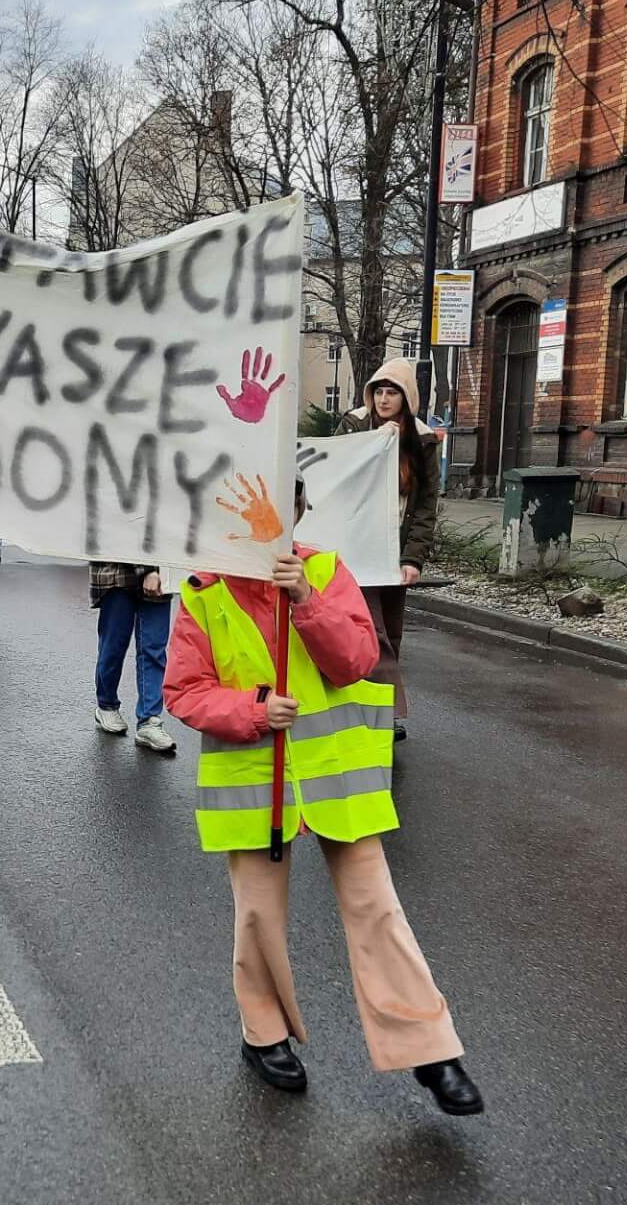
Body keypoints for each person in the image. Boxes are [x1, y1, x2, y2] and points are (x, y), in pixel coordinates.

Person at [162, 468, 481, 1116]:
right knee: (258, 916)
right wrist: (253, 709)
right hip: (255, 780)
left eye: (283, 508)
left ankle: (431, 1050)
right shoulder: (201, 591)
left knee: (376, 910)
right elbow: (184, 691)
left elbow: (357, 661)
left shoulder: (328, 570)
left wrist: (306, 599)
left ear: (300, 511)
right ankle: (264, 1034)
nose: (265, 524)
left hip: (337, 781)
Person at [336, 359, 439, 741]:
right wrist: (376, 443)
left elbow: (426, 502)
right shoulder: (353, 425)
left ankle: (371, 704)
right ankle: (383, 710)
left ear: (405, 398)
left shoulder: (422, 439)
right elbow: (336, 476)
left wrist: (414, 557)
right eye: (378, 391)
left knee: (391, 631)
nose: (382, 399)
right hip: (355, 547)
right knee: (370, 629)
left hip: (393, 549)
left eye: (391, 392)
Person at [90, 561, 175, 754]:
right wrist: (148, 570)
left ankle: (149, 720)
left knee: (153, 648)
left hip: (160, 570)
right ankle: (106, 705)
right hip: (118, 572)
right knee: (114, 644)